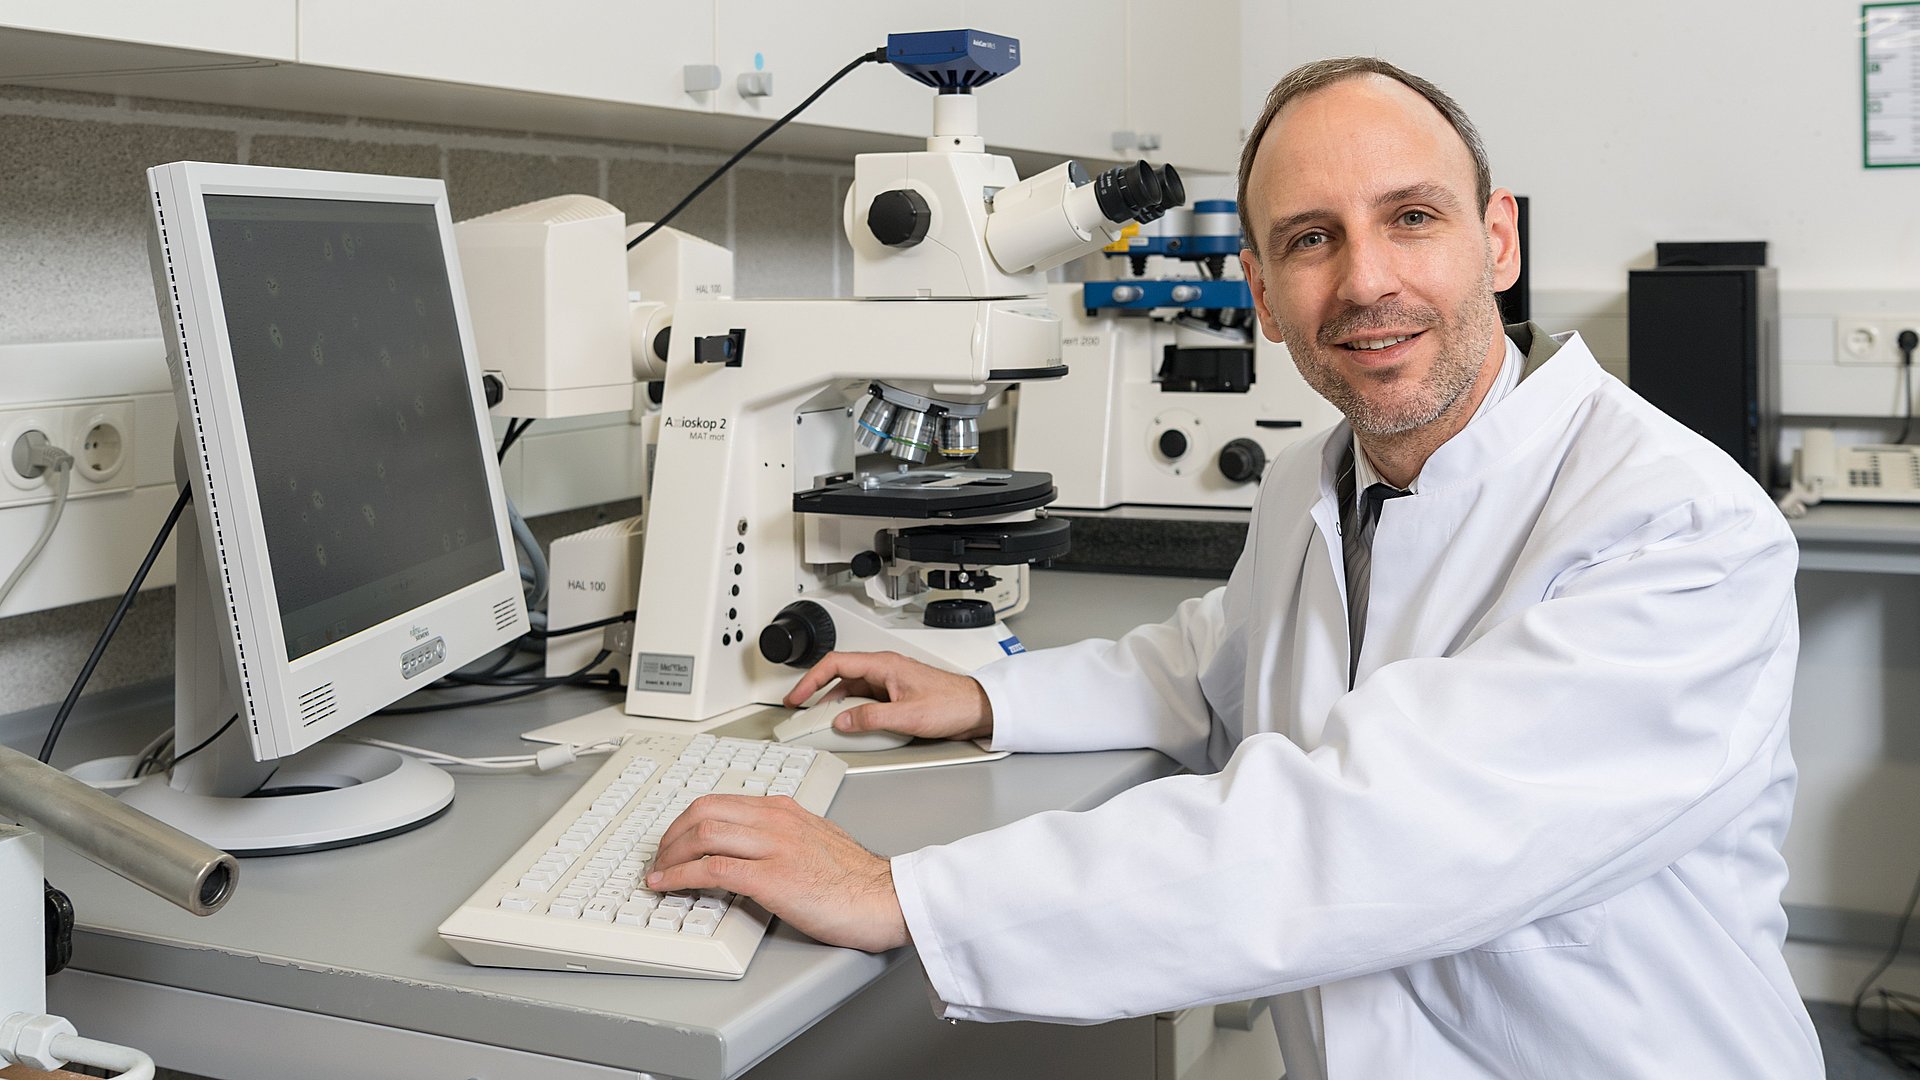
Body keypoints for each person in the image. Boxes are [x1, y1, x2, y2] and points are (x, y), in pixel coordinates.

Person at [647, 57, 1823, 1078]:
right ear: (1260, 291)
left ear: (1497, 239)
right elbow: (1218, 658)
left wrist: (907, 895)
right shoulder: (1322, 481)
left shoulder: (1675, 526)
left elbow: (1377, 833)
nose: (1366, 281)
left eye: (1411, 217)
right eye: (1312, 239)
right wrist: (992, 695)